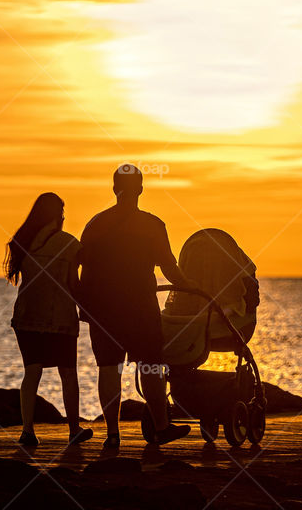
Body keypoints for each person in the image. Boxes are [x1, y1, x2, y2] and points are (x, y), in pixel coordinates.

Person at [79, 164, 197, 447]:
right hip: (140, 308)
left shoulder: (95, 224)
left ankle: (112, 434)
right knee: (152, 366)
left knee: (108, 368)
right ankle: (161, 426)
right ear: (141, 189)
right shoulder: (152, 225)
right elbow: (169, 267)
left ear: (113, 188)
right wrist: (190, 286)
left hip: (103, 310)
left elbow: (81, 264)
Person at [4, 192, 93, 446]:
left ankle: (27, 431)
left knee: (31, 372)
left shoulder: (23, 242)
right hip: (60, 320)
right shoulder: (69, 244)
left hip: (26, 318)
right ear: (59, 215)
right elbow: (74, 285)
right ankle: (74, 430)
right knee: (68, 374)